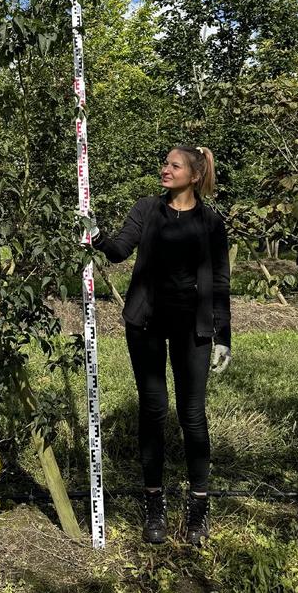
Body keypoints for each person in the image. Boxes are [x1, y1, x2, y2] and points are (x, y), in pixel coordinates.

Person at [90, 145, 231, 546]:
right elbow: (119, 250)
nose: (165, 170)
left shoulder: (210, 222)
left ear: (195, 174)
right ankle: (154, 503)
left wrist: (224, 337)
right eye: (165, 164)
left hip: (193, 330)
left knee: (192, 415)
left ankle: (198, 509)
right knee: (153, 411)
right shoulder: (147, 208)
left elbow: (219, 282)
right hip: (147, 324)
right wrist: (96, 235)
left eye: (174, 165)